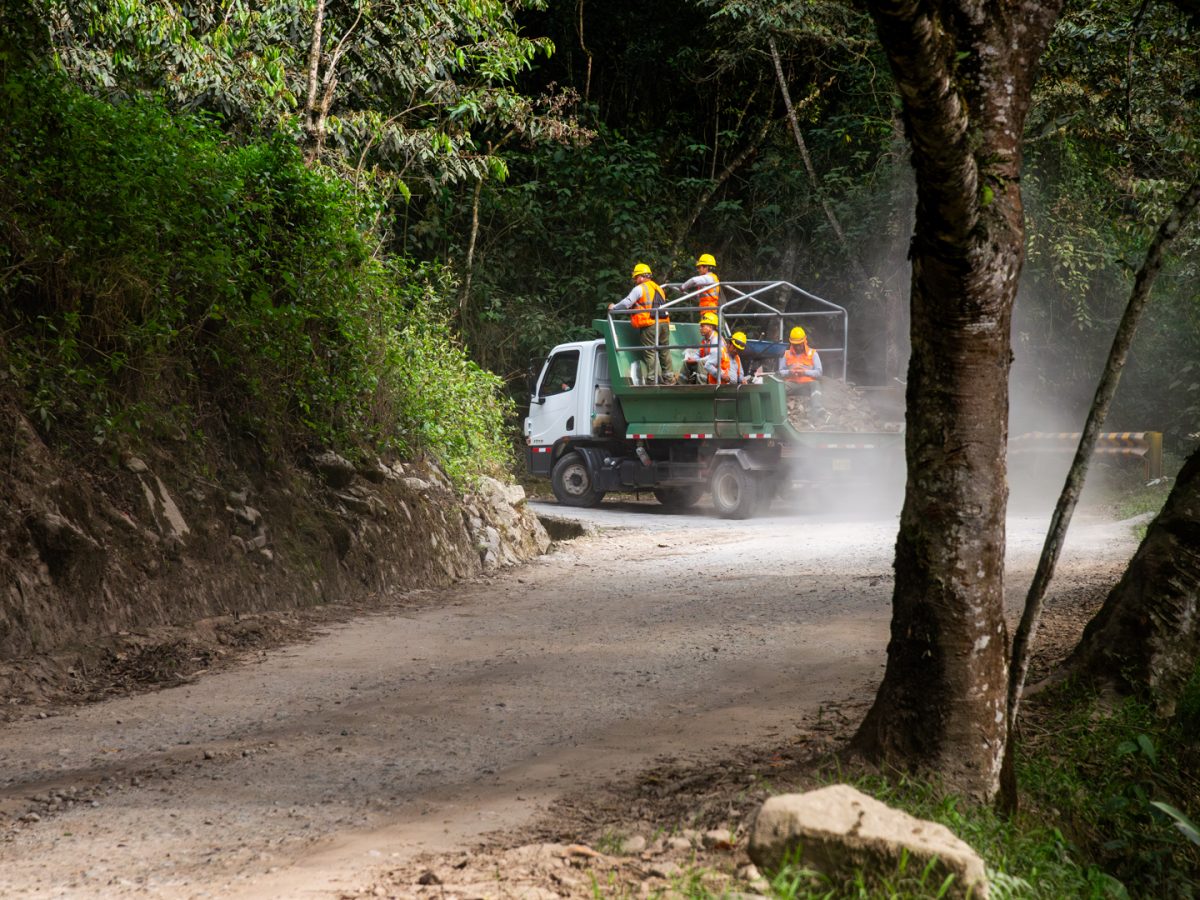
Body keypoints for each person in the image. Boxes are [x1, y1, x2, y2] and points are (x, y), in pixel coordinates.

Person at [609, 262, 676, 385]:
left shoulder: (640, 288)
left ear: (641, 276)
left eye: (636, 277)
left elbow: (627, 303)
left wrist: (614, 308)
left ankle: (652, 379)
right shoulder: (658, 288)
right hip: (664, 323)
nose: (635, 280)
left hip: (650, 324)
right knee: (664, 350)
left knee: (650, 351)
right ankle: (669, 378)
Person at [779, 325, 824, 416]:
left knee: (816, 384)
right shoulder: (786, 354)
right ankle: (779, 412)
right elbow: (780, 372)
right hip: (792, 384)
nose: (797, 347)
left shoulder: (813, 354)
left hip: (808, 384)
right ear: (791, 343)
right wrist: (789, 372)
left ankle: (817, 408)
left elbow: (819, 373)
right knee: (779, 387)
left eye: (799, 344)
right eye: (795, 345)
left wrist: (804, 372)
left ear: (804, 341)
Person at [682, 311, 719, 383]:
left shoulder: (717, 339)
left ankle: (701, 386)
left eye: (702, 326)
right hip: (705, 363)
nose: (700, 328)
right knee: (686, 362)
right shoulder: (704, 340)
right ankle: (680, 385)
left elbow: (713, 357)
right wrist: (692, 358)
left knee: (701, 362)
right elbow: (698, 353)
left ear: (710, 327)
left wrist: (696, 360)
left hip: (716, 367)